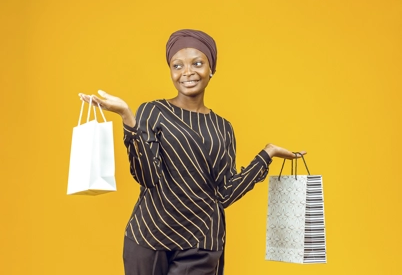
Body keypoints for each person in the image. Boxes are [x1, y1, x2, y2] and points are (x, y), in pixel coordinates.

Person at [78, 29, 306, 275]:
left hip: (202, 243)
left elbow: (225, 194)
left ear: (211, 69)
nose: (187, 72)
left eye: (197, 63)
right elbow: (148, 178)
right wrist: (128, 118)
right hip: (150, 235)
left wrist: (266, 155)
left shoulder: (223, 128)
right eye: (177, 66)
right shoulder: (153, 111)